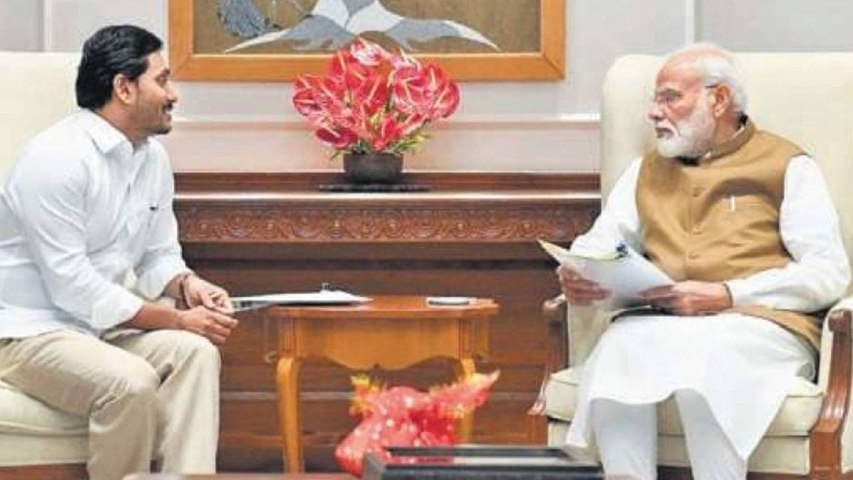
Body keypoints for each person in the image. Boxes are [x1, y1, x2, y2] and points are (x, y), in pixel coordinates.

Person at [557, 44, 850, 480]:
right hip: (662, 324)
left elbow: (828, 272)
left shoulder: (788, 165)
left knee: (707, 362)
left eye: (670, 97)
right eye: (654, 99)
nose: (653, 113)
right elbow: (600, 243)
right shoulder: (645, 170)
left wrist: (728, 294)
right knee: (620, 348)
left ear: (719, 100)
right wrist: (580, 273)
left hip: (760, 327)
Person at [0, 25, 238, 480]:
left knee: (196, 353)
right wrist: (175, 319)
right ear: (124, 88)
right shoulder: (55, 159)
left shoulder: (151, 158)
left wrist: (188, 285)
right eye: (162, 80)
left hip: (99, 330)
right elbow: (73, 286)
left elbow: (157, 255)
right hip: (28, 334)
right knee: (131, 382)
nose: (173, 95)